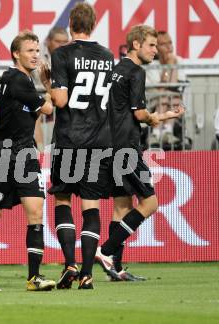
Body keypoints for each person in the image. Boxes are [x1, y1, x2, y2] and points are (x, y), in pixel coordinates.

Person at [95, 25, 185, 280]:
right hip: (126, 147)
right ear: (136, 45)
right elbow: (139, 114)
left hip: (109, 145)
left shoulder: (113, 71)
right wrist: (156, 117)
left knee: (122, 205)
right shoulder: (135, 72)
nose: (155, 51)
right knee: (151, 202)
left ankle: (117, 269)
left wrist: (161, 115)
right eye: (151, 45)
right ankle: (106, 250)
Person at [0, 30, 54, 292]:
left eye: (37, 50)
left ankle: (34, 277)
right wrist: (50, 88)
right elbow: (50, 108)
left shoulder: (16, 81)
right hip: (3, 155)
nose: (35, 55)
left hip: (25, 153)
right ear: (16, 53)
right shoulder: (15, 79)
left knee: (35, 212)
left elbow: (5, 110)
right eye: (30, 50)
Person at [45, 2, 115, 290]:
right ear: (94, 24)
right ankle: (87, 273)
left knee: (62, 200)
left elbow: (60, 101)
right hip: (99, 139)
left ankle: (70, 264)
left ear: (72, 22)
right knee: (91, 207)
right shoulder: (108, 55)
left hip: (69, 139)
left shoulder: (61, 54)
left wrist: (46, 81)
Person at [33, 27, 69, 150]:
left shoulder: (69, 56)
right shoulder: (36, 55)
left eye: (65, 42)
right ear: (48, 41)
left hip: (59, 98)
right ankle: (41, 153)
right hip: (38, 96)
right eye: (58, 41)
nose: (62, 45)